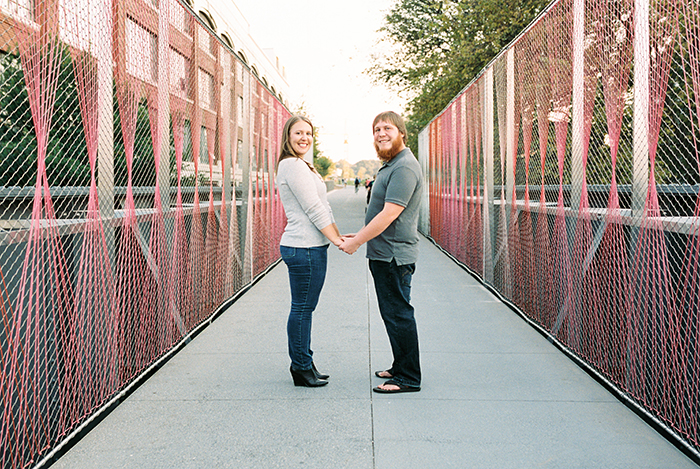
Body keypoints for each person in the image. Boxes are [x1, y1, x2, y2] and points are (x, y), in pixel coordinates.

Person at [339, 111, 423, 393]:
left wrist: (356, 242)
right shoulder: (392, 164)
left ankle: (408, 377)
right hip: (383, 253)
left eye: (387, 128)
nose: (381, 133)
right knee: (393, 313)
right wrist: (361, 233)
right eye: (376, 129)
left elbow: (389, 214)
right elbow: (379, 214)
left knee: (399, 313)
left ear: (402, 132)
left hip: (393, 256)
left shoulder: (404, 167)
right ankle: (401, 366)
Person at [277, 115, 342, 387]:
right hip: (303, 246)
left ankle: (305, 361)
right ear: (288, 137)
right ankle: (301, 367)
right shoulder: (291, 165)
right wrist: (339, 243)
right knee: (302, 308)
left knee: (305, 308)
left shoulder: (304, 166)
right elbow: (312, 209)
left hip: (311, 245)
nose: (304, 138)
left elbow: (323, 206)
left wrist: (338, 236)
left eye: (308, 133)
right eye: (298, 133)